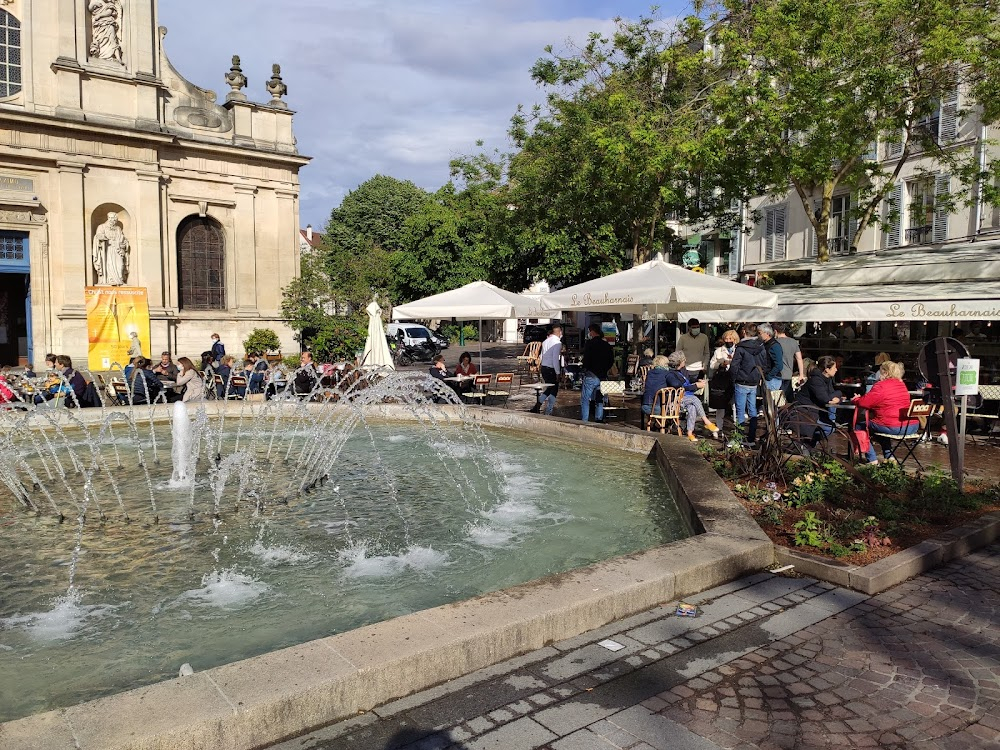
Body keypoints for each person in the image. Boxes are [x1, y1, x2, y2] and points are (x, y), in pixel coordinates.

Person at [853, 360, 917, 464]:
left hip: (895, 427)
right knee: (880, 426)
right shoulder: (902, 385)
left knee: (860, 425)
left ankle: (872, 459)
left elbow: (865, 403)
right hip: (911, 426)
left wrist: (856, 400)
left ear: (886, 373)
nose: (879, 374)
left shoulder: (881, 386)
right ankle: (889, 457)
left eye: (880, 371)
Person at [665, 351, 719, 441]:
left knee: (692, 407)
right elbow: (679, 386)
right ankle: (706, 422)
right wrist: (695, 386)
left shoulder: (683, 370)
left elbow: (689, 379)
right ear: (679, 362)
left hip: (686, 398)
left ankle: (690, 432)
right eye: (683, 359)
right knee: (694, 399)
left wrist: (698, 380)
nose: (685, 360)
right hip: (676, 400)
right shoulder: (671, 374)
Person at [729, 323, 768, 445]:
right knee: (753, 411)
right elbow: (764, 364)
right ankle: (751, 438)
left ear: (744, 332)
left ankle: (739, 438)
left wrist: (733, 379)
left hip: (741, 381)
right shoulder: (761, 347)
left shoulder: (741, 348)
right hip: (754, 382)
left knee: (740, 412)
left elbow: (734, 366)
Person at [794, 355, 844, 446]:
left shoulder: (827, 379)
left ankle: (809, 443)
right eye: (834, 367)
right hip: (805, 411)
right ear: (827, 369)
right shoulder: (816, 380)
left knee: (831, 428)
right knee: (829, 428)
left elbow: (831, 395)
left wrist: (837, 397)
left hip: (816, 410)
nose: (836, 369)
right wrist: (838, 394)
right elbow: (825, 398)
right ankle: (807, 443)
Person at [579, 323, 616, 423]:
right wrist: (605, 369)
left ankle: (584, 420)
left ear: (592, 331)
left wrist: (585, 368)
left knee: (585, 399)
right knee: (599, 400)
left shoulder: (590, 344)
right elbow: (611, 361)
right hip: (602, 376)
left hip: (591, 375)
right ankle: (598, 419)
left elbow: (586, 360)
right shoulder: (607, 345)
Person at [708, 329, 739, 431]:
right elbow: (712, 365)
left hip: (735, 378)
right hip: (722, 379)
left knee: (735, 403)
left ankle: (736, 426)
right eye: (726, 338)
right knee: (720, 404)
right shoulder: (718, 351)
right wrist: (720, 364)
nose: (728, 340)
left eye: (730, 338)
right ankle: (719, 427)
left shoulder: (739, 350)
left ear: (735, 339)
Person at [530, 324, 562, 415]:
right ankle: (548, 411)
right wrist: (558, 372)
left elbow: (541, 356)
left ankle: (537, 406)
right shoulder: (557, 343)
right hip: (551, 368)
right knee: (554, 390)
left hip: (544, 368)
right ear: (559, 332)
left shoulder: (545, 341)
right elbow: (555, 358)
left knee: (549, 388)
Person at [774, 323, 806, 403]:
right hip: (788, 375)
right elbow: (799, 358)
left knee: (778, 401)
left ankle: (779, 415)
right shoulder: (793, 342)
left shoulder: (774, 343)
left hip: (776, 375)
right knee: (789, 399)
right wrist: (801, 374)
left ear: (775, 331)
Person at [677, 318, 711, 382]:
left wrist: (705, 365)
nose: (696, 329)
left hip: (699, 369)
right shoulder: (683, 338)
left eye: (697, 327)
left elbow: (706, 353)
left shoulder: (704, 337)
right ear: (689, 328)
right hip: (686, 369)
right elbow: (678, 352)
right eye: (693, 327)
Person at [641, 354, 671, 424]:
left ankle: (652, 425)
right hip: (658, 408)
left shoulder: (649, 373)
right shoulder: (667, 373)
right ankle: (660, 425)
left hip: (645, 406)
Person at [757, 323, 784, 396]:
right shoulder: (765, 344)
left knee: (771, 403)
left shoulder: (774, 346)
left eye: (760, 333)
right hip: (768, 377)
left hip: (773, 379)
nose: (758, 335)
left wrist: (769, 376)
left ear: (767, 333)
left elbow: (779, 365)